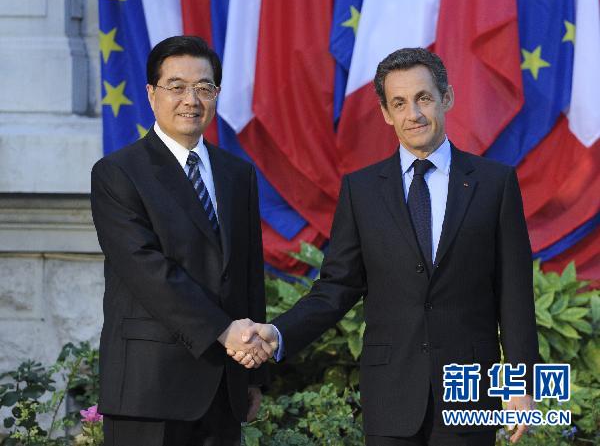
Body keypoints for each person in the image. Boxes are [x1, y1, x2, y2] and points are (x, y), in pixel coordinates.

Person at [229, 48, 539, 446]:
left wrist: (521, 385)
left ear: (446, 98)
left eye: (423, 98)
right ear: (386, 113)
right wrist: (278, 332)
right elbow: (336, 287)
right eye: (400, 103)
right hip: (390, 397)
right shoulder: (361, 191)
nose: (414, 114)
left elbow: (514, 293)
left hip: (469, 394)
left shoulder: (495, 184)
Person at [91, 35, 271, 446]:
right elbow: (147, 270)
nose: (191, 100)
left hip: (224, 387)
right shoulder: (118, 172)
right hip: (150, 388)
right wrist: (223, 331)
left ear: (217, 94)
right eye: (176, 87)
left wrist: (253, 374)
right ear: (151, 94)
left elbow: (248, 276)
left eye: (204, 88)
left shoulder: (237, 174)